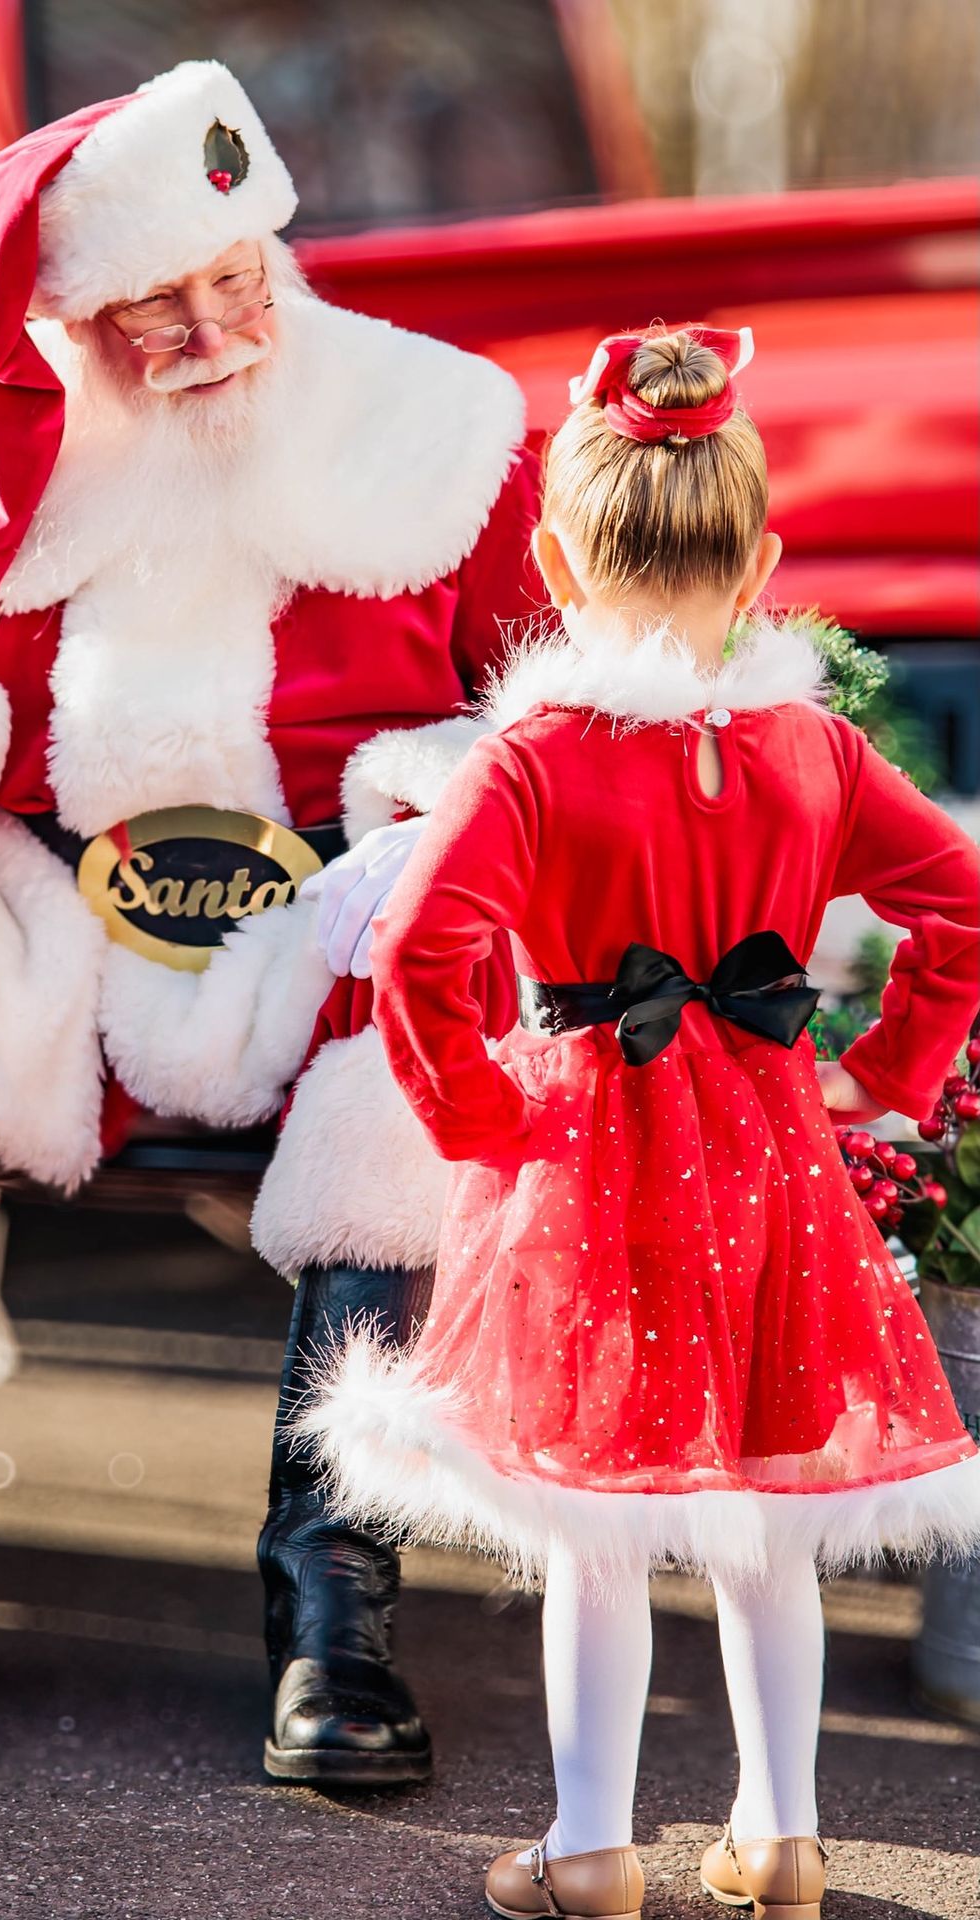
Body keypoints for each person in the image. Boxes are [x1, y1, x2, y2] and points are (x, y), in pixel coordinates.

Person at [0, 61, 538, 1773]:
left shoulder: (445, 434)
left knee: (432, 968)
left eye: (234, 276)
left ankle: (333, 1595)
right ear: (61, 322)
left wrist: (445, 827)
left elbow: (565, 713)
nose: (214, 328)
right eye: (153, 308)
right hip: (57, 936)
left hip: (322, 926)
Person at [303, 326, 980, 1915]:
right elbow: (959, 904)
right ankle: (784, 1831)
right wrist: (885, 1070)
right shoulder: (814, 747)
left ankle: (592, 1845)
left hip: (576, 1170)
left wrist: (478, 1114)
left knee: (592, 1520)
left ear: (550, 556)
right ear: (765, 561)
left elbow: (424, 953)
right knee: (769, 1513)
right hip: (771, 1168)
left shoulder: (535, 759)